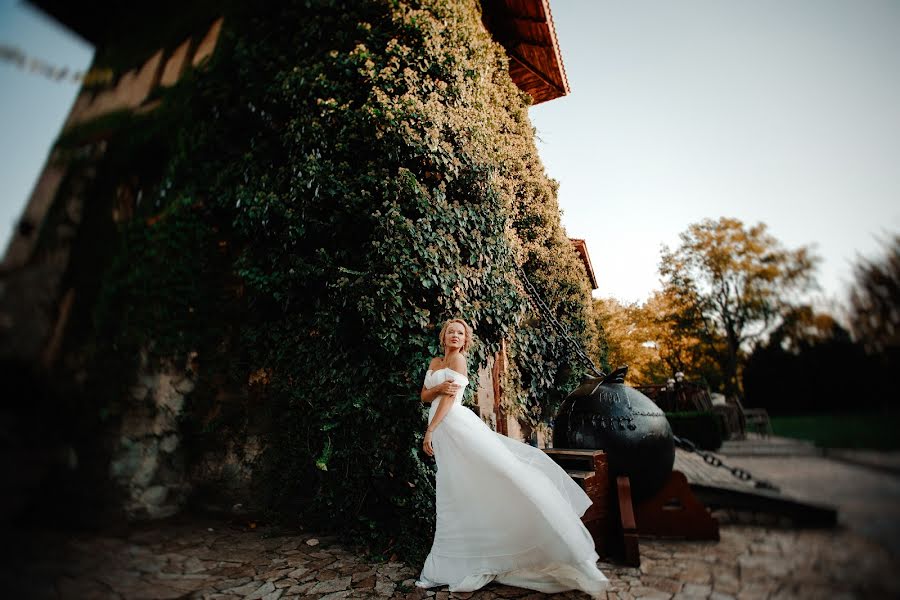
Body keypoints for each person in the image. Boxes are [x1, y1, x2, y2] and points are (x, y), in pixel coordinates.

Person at [415, 318, 609, 597]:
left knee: (498, 474)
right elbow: (425, 396)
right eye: (451, 332)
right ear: (443, 336)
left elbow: (448, 400)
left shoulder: (459, 362)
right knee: (455, 488)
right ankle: (457, 558)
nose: (455, 336)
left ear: (465, 340)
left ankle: (540, 534)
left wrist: (430, 430)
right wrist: (437, 390)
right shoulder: (435, 362)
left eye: (461, 333)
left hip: (455, 426)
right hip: (445, 433)